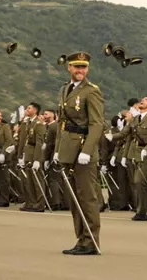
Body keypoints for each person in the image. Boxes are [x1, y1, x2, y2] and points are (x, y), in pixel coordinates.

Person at [53, 51, 105, 256]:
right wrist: (58, 149)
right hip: (67, 149)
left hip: (83, 150)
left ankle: (91, 241)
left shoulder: (91, 91)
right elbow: (62, 123)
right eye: (76, 67)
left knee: (87, 198)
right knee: (74, 198)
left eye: (83, 67)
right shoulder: (65, 89)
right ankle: (81, 239)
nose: (80, 70)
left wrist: (87, 150)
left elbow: (96, 124)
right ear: (69, 68)